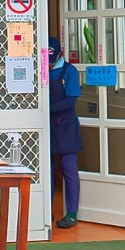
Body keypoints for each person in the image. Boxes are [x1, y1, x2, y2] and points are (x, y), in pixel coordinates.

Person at [48, 37, 82, 229]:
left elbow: (71, 101)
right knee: (48, 170)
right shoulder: (41, 70)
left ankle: (71, 213)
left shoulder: (70, 71)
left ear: (60, 53)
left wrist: (47, 108)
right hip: (48, 127)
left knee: (69, 169)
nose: (49, 63)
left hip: (67, 127)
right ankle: (47, 209)